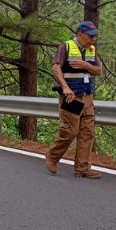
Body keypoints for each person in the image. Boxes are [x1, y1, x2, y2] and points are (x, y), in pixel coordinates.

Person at [46, 21, 102, 179]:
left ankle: (82, 168)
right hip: (72, 98)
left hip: (87, 97)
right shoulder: (66, 46)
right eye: (91, 35)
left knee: (87, 132)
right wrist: (65, 87)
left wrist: (85, 65)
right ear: (80, 34)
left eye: (95, 36)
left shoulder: (91, 50)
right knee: (70, 131)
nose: (93, 39)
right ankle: (52, 156)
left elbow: (98, 70)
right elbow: (56, 68)